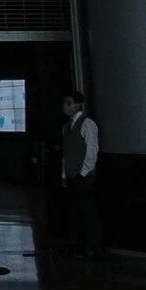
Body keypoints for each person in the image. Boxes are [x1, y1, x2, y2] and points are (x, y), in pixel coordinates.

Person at [58, 91, 104, 263]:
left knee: (87, 213)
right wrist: (64, 175)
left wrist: (83, 173)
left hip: (83, 177)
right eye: (65, 103)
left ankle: (95, 249)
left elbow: (92, 150)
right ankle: (76, 247)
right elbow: (66, 153)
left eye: (69, 103)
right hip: (71, 176)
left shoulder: (87, 123)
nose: (67, 106)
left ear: (78, 104)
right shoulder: (66, 126)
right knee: (74, 213)